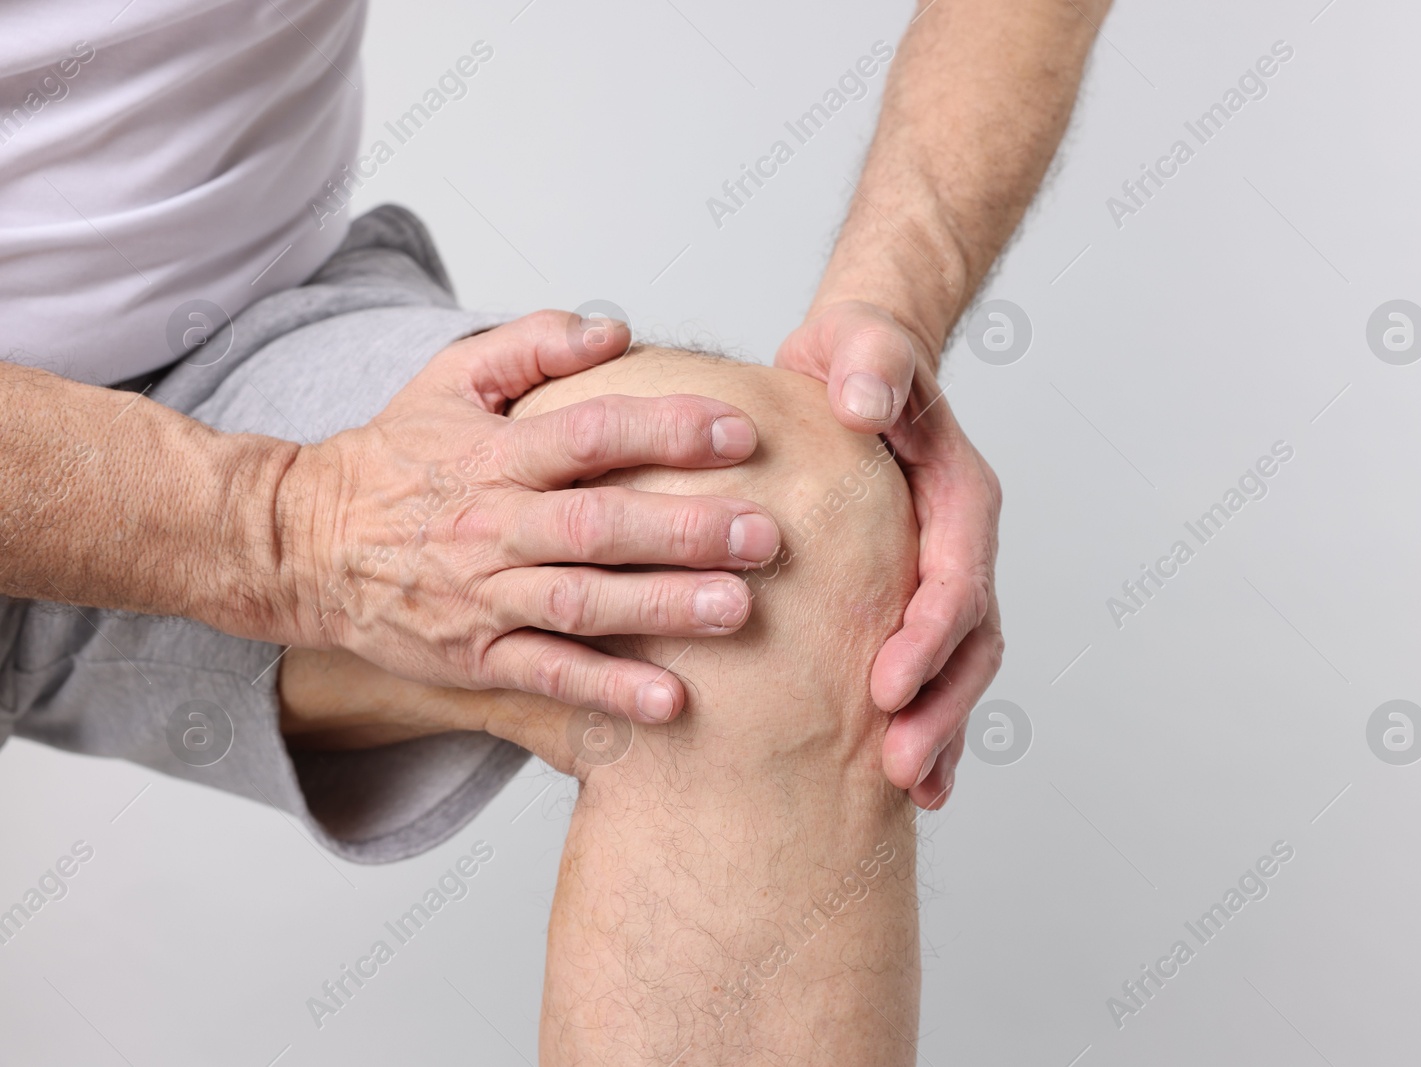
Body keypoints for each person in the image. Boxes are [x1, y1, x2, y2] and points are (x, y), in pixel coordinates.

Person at [0, 0, 1111, 857]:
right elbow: (290, 527)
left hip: (229, 342)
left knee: (775, 558)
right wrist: (292, 529)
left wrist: (889, 307)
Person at [280, 345, 924, 1063]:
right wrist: (301, 524)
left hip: (312, 307)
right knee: (729, 579)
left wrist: (878, 358)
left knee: (804, 498)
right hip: (137, 407)